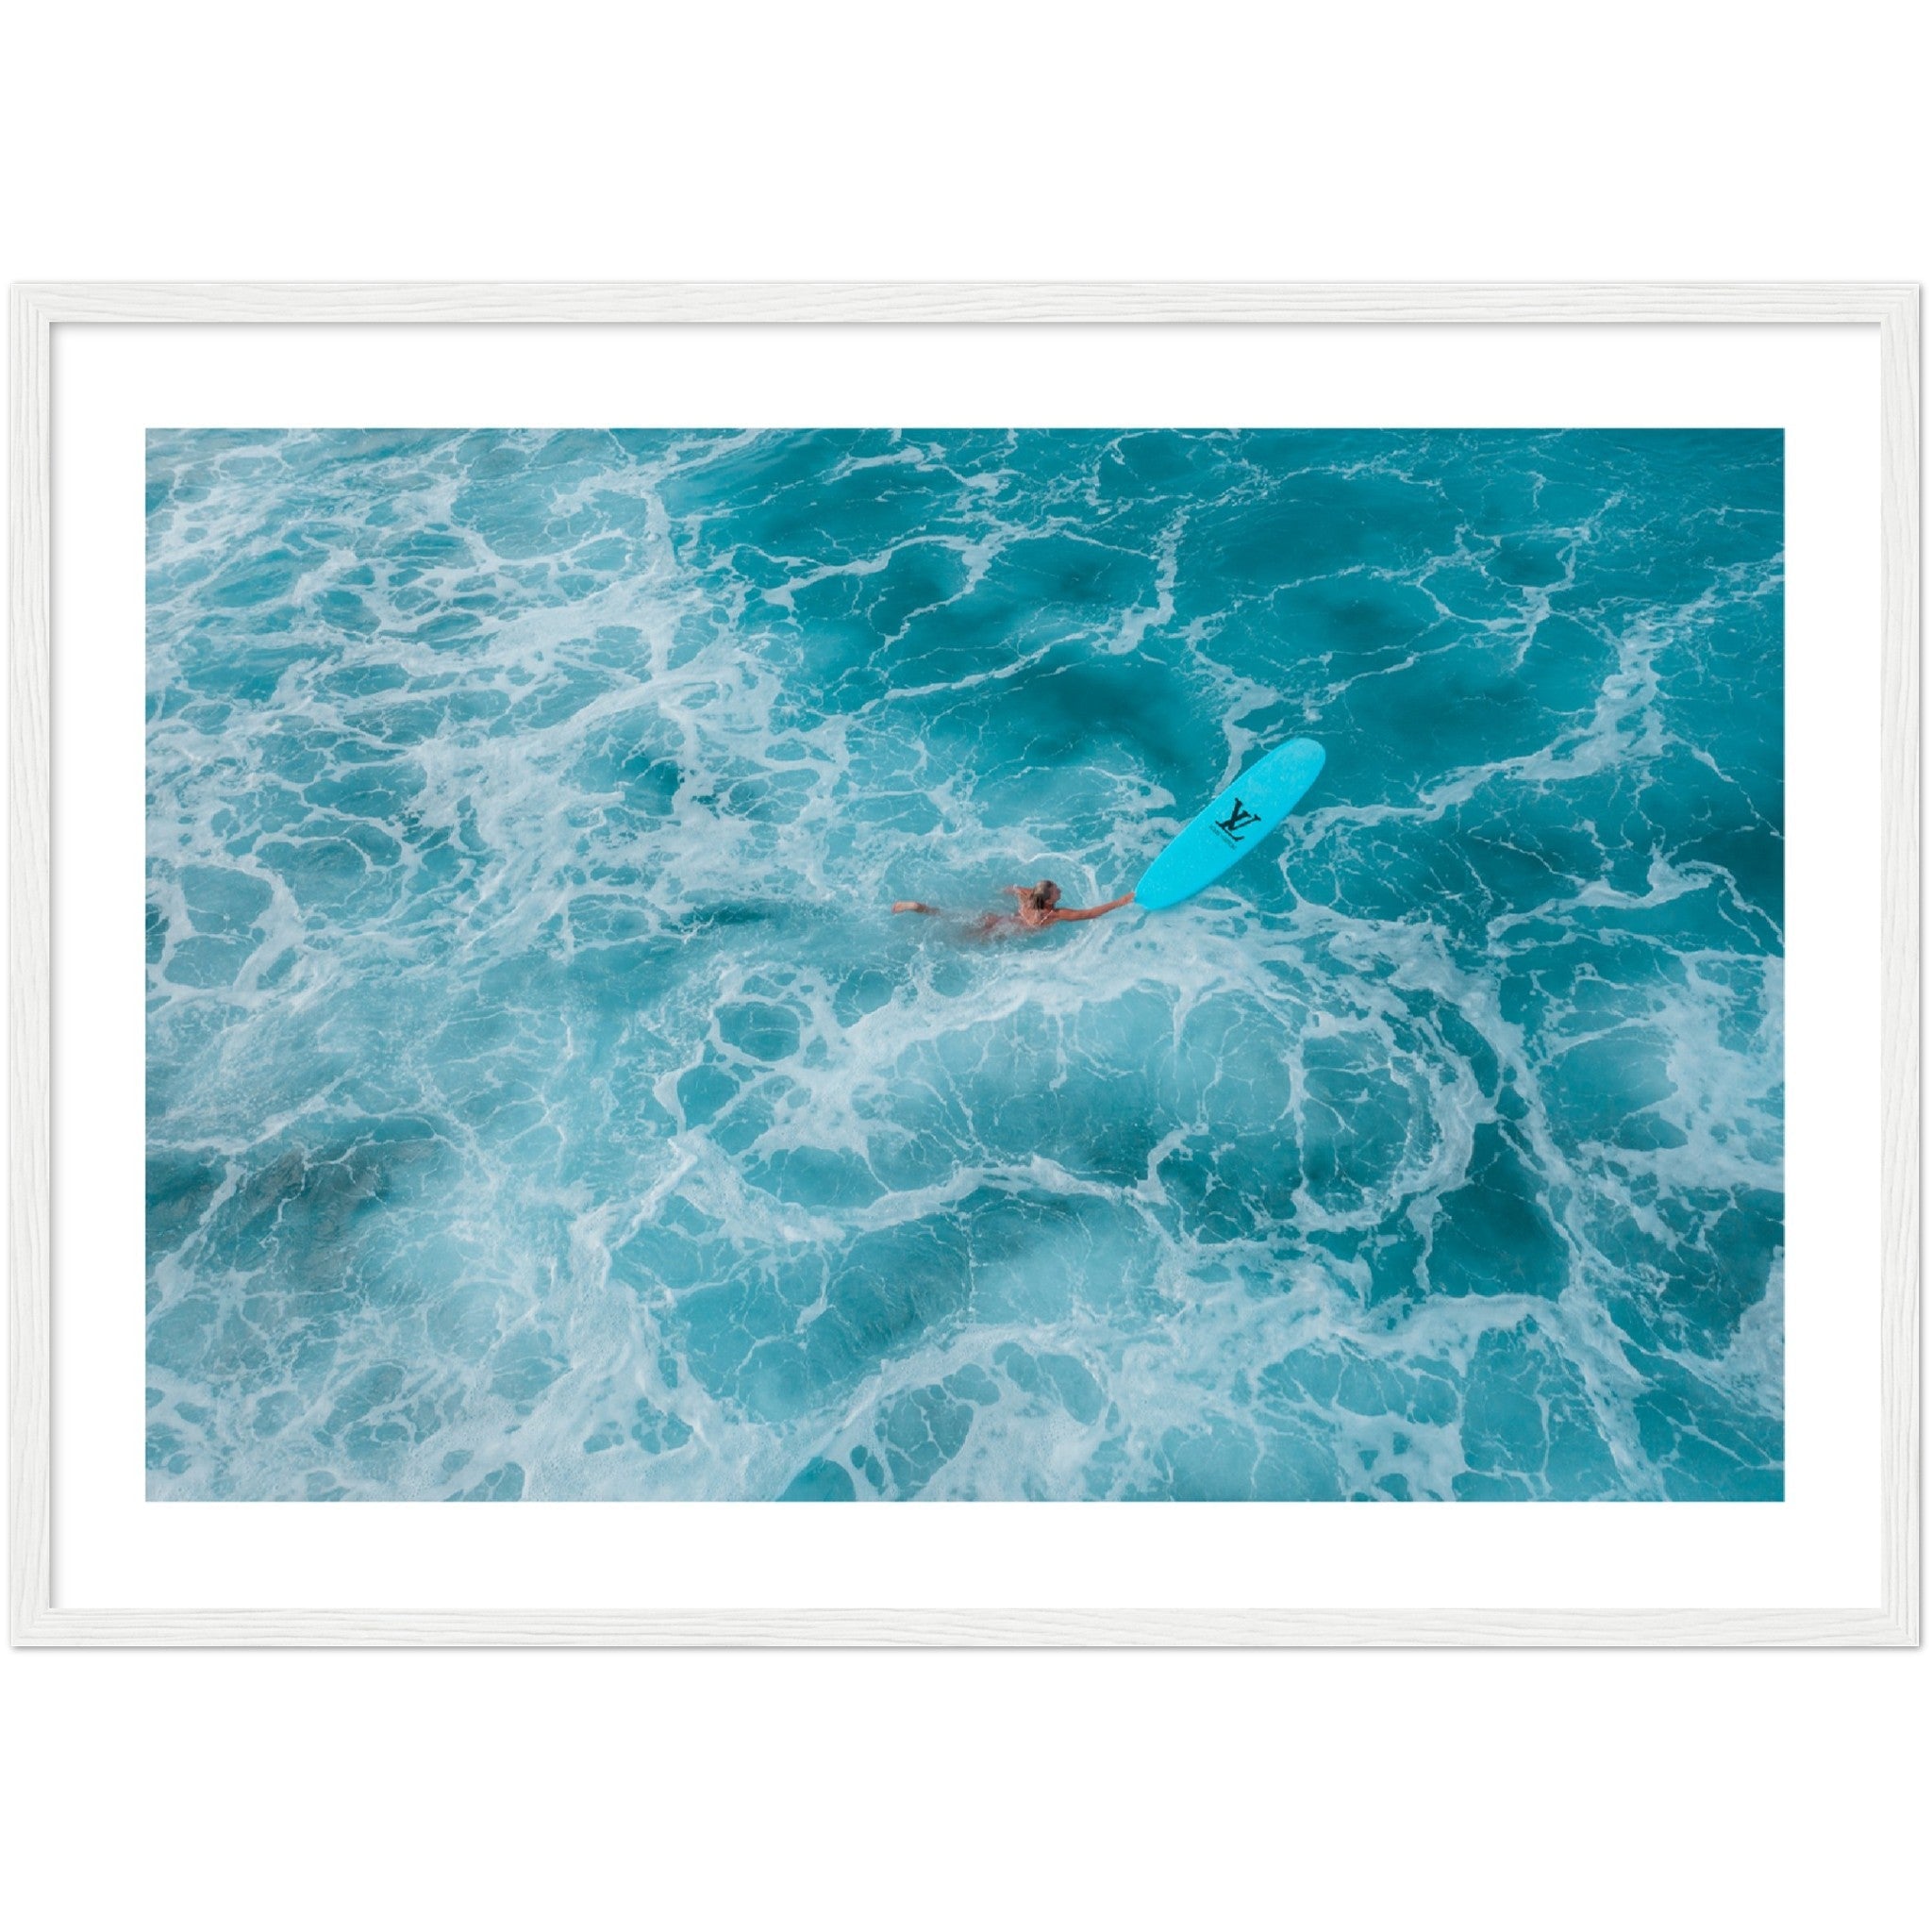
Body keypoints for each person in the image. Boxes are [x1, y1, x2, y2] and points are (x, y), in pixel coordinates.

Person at [891, 878, 1134, 935]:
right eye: (1056, 890)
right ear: (1049, 899)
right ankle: (917, 907)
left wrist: (1001, 890)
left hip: (997, 918)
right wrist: (1121, 901)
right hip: (1003, 931)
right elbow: (1090, 914)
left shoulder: (1030, 896)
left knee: (948, 916)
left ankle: (917, 906)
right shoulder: (1053, 914)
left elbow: (1013, 889)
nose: (1060, 890)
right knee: (963, 941)